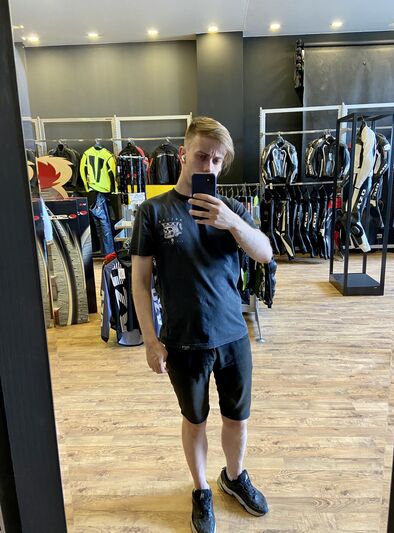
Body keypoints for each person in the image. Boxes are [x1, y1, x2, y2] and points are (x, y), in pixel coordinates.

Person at [131, 116, 273, 533]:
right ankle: (201, 489)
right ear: (183, 154)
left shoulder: (233, 211)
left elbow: (265, 253)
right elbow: (140, 283)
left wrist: (232, 222)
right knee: (195, 420)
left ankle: (234, 477)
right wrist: (150, 341)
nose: (208, 166)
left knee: (238, 418)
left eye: (216, 160)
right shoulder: (152, 212)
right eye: (201, 156)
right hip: (183, 340)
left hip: (233, 336)